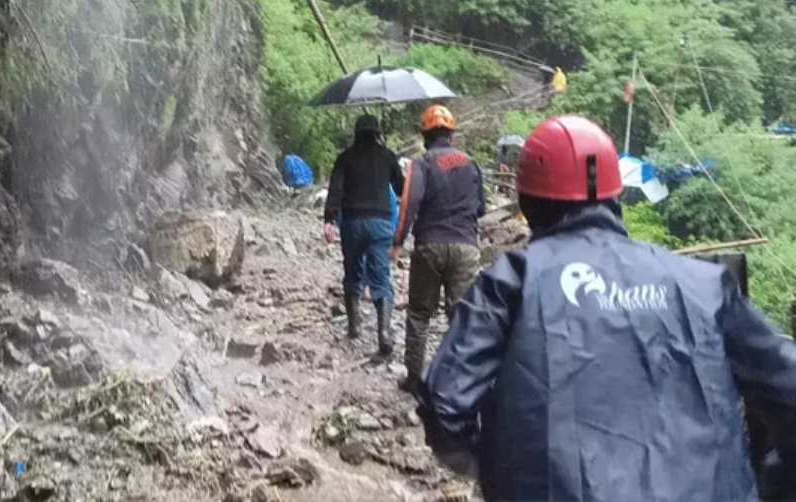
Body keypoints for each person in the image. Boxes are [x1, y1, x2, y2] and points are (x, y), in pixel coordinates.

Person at [414, 115, 796, 502]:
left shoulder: (513, 281)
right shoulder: (704, 284)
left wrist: (500, 468)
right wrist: (772, 484)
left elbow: (445, 404)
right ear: (617, 196)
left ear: (527, 203)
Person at [393, 105, 485, 382]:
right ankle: (461, 378)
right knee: (461, 315)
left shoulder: (421, 164)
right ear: (451, 135)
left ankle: (414, 379)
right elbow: (480, 208)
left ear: (425, 136)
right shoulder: (471, 163)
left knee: (420, 315)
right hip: (466, 246)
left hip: (430, 245)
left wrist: (398, 240)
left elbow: (409, 203)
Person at [323, 114, 404, 356]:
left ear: (356, 134)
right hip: (380, 223)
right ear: (378, 133)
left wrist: (329, 220)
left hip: (352, 222)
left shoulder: (345, 158)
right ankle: (384, 333)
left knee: (353, 271)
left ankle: (355, 325)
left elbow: (335, 189)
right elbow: (401, 188)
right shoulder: (388, 156)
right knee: (381, 276)